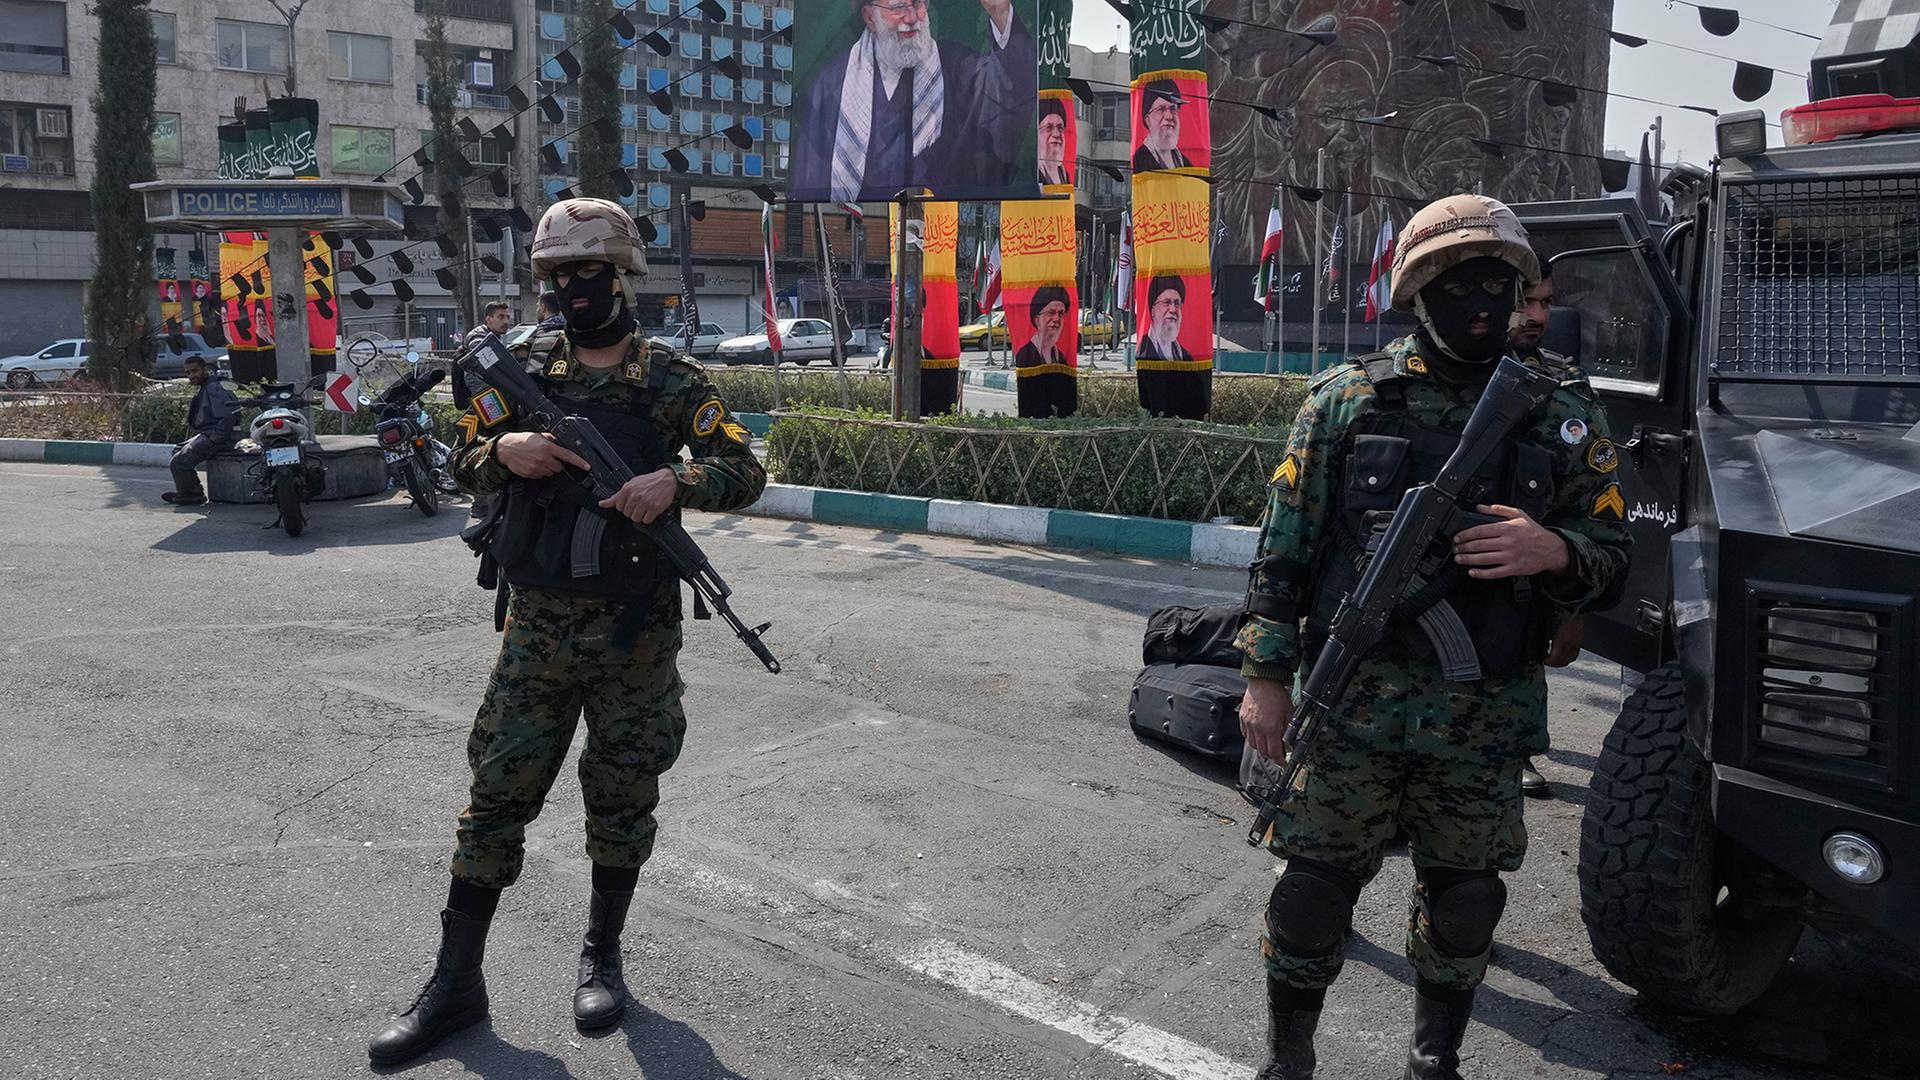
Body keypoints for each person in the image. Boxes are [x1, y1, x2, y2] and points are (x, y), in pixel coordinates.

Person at [1235, 194, 1631, 1080]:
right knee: (1310, 898)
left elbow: (1615, 553)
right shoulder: (1347, 401)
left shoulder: (1561, 412)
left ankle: (1433, 1060)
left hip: (1483, 716)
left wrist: (1552, 548)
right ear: (1419, 291)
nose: (1484, 301)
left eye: (1500, 282)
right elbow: (1283, 548)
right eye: (1460, 283)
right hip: (1353, 716)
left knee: (1465, 904)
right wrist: (1266, 678)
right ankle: (1287, 1058)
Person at [367, 198, 768, 1066]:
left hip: (634, 634)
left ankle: (603, 958)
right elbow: (460, 454)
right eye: (558, 278)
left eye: (589, 275)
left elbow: (745, 468)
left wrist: (676, 479)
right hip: (538, 628)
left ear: (623, 279)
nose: (573, 292)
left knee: (622, 795)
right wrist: (502, 450)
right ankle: (455, 984)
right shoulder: (521, 369)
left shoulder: (669, 381)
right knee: (497, 795)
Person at [791, 0, 1036, 201]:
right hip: (860, 235)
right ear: (869, 17)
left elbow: (1009, 87)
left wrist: (1000, 12)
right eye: (898, 7)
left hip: (940, 237)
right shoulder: (832, 85)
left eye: (917, 4)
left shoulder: (956, 67)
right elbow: (810, 183)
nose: (911, 17)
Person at [1507, 254, 1583, 797]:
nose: (1537, 315)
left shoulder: (1564, 387)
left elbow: (1587, 511)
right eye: (1525, 302)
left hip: (1529, 573)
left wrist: (1577, 609)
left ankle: (1519, 749)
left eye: (1546, 302)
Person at [162, 356, 238, 506]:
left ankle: (192, 495)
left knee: (178, 463)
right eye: (188, 372)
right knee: (178, 449)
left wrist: (212, 440)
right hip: (210, 434)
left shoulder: (214, 388)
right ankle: (188, 490)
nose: (191, 376)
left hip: (220, 437)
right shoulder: (208, 386)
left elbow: (226, 418)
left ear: (205, 369)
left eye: (195, 371)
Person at [457, 301, 515, 412]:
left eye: (507, 317)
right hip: (484, 398)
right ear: (488, 319)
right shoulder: (479, 339)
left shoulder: (491, 338)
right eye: (501, 317)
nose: (506, 321)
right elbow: (485, 370)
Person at [1131, 80, 1193, 173]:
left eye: (1173, 109)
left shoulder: (1186, 163)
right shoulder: (1140, 158)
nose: (1169, 116)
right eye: (1161, 109)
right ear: (1148, 120)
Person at [1136, 276, 1193, 362]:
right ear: (1153, 310)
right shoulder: (1144, 352)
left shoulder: (1186, 357)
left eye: (1177, 303)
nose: (1173, 310)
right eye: (1166, 302)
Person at [1014, 285, 1070, 368]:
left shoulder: (1061, 358)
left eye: (1061, 314)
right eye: (1051, 313)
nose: (1057, 319)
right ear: (1037, 320)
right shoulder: (1026, 355)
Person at [1037, 98, 1070, 187]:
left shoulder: (1065, 176)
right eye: (1049, 127)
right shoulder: (1031, 175)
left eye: (1060, 128)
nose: (1056, 134)